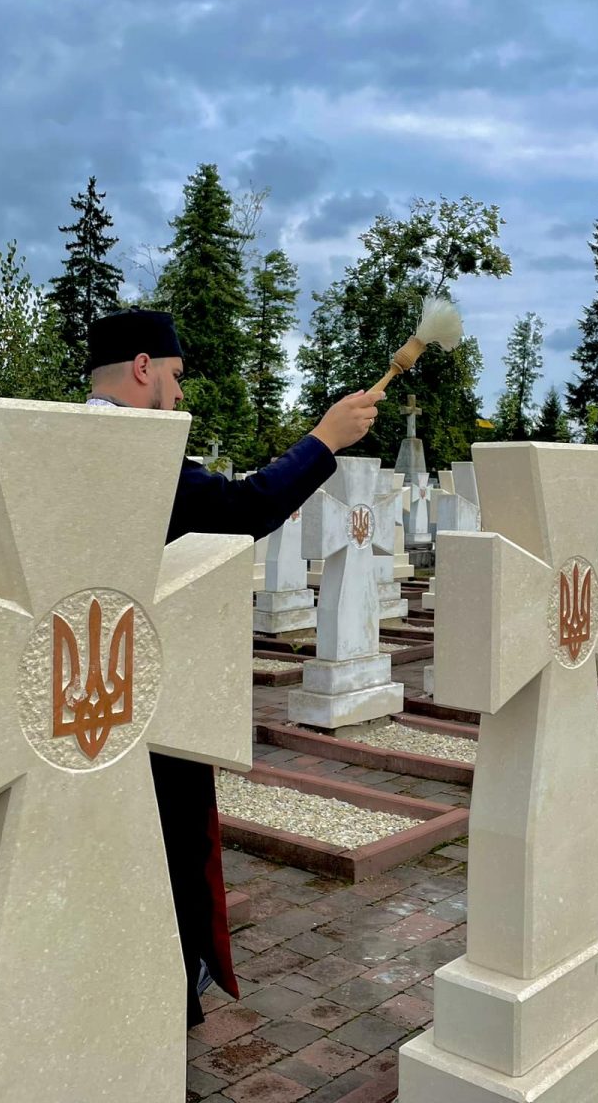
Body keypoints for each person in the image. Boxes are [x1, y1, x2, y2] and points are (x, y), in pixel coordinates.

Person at [84, 307, 383, 1027]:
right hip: (143, 693)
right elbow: (245, 507)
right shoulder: (131, 449)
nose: (181, 393)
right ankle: (159, 1003)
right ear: (144, 368)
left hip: (84, 681)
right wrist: (324, 439)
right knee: (166, 852)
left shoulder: (62, 441)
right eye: (176, 375)